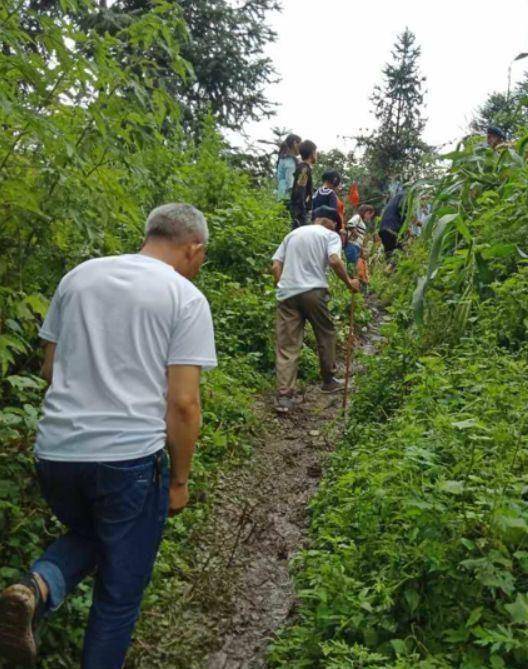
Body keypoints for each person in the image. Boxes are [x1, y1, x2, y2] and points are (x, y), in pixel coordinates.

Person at [0, 203, 217, 668]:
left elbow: (49, 367)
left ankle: (36, 588)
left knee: (95, 534)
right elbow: (183, 403)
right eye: (202, 258)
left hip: (55, 452)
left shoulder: (79, 278)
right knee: (118, 596)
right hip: (128, 461)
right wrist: (179, 481)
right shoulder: (184, 297)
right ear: (193, 249)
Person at [272, 205, 360, 413]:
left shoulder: (292, 234)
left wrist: (281, 285)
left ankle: (284, 396)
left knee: (287, 344)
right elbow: (334, 260)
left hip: (287, 293)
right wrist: (349, 283)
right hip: (314, 291)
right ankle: (328, 380)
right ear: (330, 222)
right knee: (325, 333)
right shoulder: (330, 236)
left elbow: (276, 265)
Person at [290, 139, 317, 229]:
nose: (316, 155)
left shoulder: (304, 168)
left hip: (300, 212)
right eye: (315, 152)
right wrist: (301, 214)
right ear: (312, 153)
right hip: (301, 214)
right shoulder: (304, 170)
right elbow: (299, 191)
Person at [379, 191, 406, 259]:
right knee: (399, 254)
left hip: (383, 230)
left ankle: (386, 268)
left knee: (389, 254)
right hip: (392, 230)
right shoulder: (403, 198)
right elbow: (403, 213)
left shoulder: (392, 203)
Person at [276, 133, 301, 202]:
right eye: (300, 144)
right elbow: (290, 183)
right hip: (288, 197)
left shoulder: (283, 158)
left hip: (281, 195)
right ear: (295, 143)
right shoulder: (290, 161)